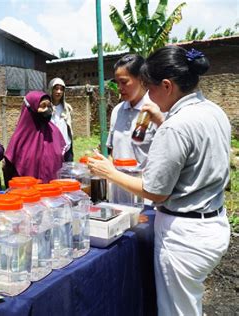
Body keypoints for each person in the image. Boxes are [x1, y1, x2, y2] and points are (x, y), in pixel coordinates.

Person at [87, 46, 231, 316]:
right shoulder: (213, 111)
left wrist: (109, 172)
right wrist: (162, 121)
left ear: (167, 85)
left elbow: (155, 192)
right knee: (189, 304)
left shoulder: (176, 126)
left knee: (176, 311)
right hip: (213, 224)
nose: (149, 97)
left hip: (185, 236)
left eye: (150, 89)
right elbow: (192, 151)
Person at [107, 54, 159, 168]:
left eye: (124, 82)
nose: (119, 88)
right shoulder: (117, 111)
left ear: (141, 79)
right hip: (116, 184)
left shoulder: (156, 111)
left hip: (142, 184)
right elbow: (113, 152)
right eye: (117, 83)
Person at [4, 90, 66, 184]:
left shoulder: (55, 132)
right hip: (28, 194)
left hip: (52, 194)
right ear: (31, 109)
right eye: (43, 106)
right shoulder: (19, 139)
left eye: (49, 106)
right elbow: (9, 173)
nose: (48, 110)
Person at [48, 78, 74, 162]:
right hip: (50, 147)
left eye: (61, 89)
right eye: (56, 88)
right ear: (50, 89)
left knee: (67, 172)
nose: (59, 92)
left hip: (66, 146)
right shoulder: (46, 108)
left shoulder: (67, 109)